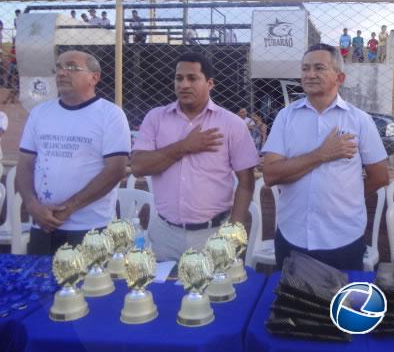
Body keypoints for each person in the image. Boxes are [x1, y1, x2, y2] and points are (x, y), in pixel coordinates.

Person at [262, 43, 389, 270]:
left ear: (339, 77)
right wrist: (321, 155)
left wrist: (346, 198)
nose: (310, 74)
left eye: (319, 68)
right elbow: (270, 174)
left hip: (343, 237)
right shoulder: (286, 117)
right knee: (293, 304)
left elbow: (379, 176)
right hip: (293, 235)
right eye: (305, 68)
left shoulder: (359, 121)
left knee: (342, 304)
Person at [130, 52, 259, 261]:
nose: (184, 85)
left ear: (209, 83)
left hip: (214, 234)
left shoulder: (231, 124)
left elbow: (246, 182)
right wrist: (185, 146)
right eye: (179, 78)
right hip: (165, 234)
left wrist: (233, 231)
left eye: (192, 78)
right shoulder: (156, 118)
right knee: (164, 292)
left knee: (214, 292)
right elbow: (138, 167)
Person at [16, 51, 130, 255]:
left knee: (90, 286)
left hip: (90, 229)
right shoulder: (40, 113)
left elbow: (115, 170)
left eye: (71, 67)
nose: (61, 73)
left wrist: (69, 208)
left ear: (94, 77)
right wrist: (32, 205)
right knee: (40, 284)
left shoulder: (110, 115)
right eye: (58, 67)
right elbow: (25, 165)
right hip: (42, 225)